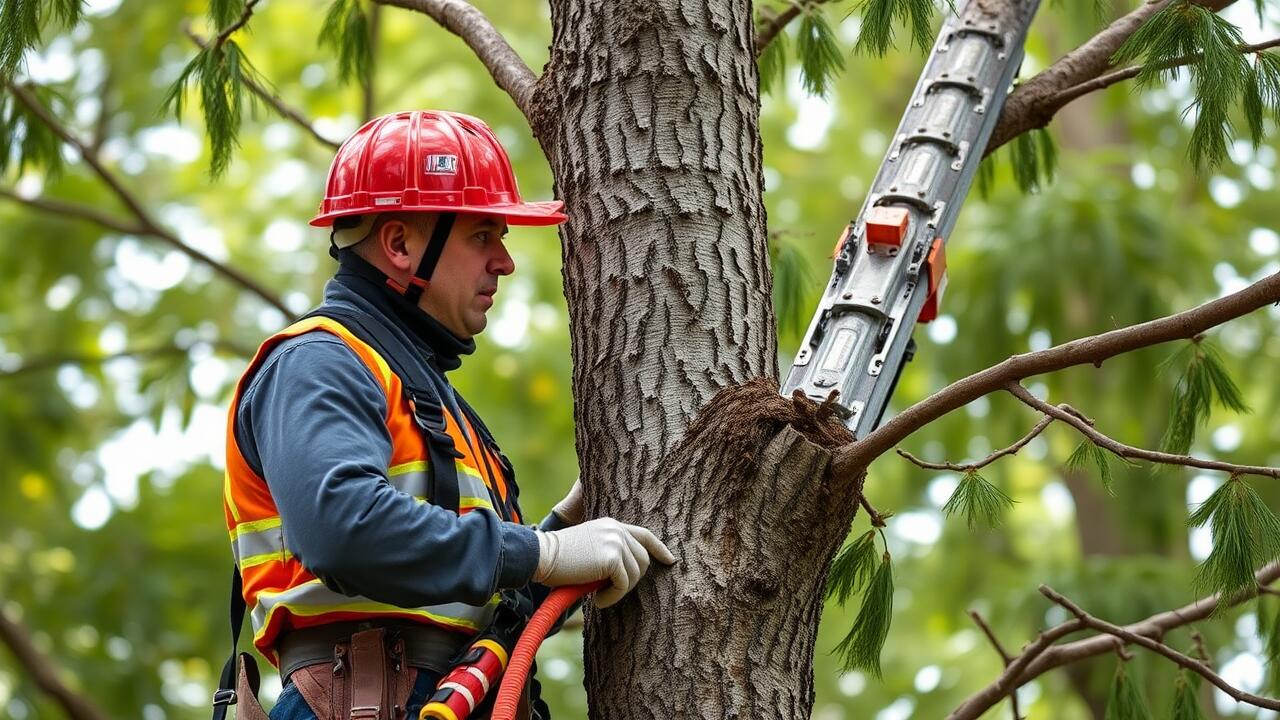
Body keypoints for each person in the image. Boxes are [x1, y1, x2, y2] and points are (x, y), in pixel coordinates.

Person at [216, 110, 675, 720]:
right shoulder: (319, 361)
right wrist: (547, 554)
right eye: (483, 234)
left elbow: (474, 590)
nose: (505, 261)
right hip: (367, 700)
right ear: (401, 245)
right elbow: (344, 529)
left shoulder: (424, 396)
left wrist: (565, 526)